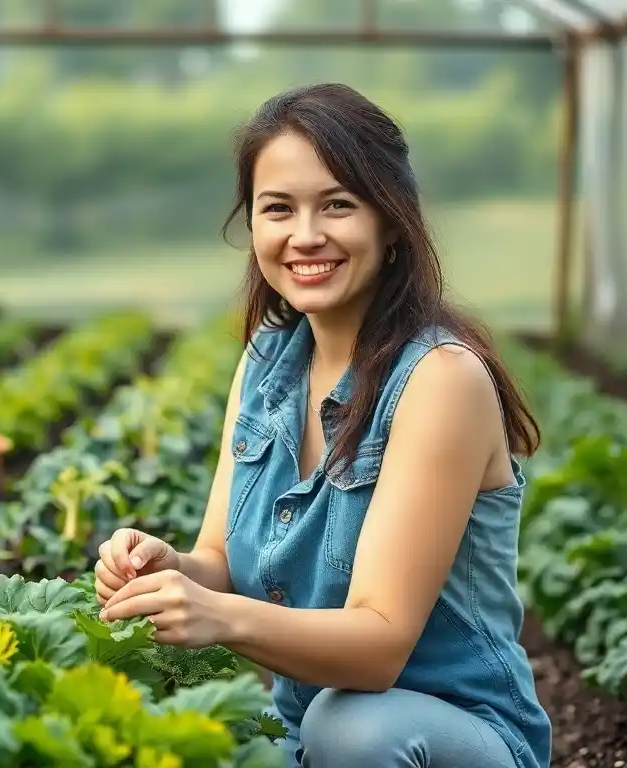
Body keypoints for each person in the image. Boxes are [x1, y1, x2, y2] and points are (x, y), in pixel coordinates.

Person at [94, 83, 552, 768]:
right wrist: (172, 569)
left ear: (391, 218)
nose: (305, 236)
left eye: (338, 204)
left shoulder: (438, 380)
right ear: (252, 227)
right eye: (277, 208)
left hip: (452, 734)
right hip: (305, 732)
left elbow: (379, 646)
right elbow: (218, 561)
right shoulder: (266, 363)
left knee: (354, 728)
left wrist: (218, 618)